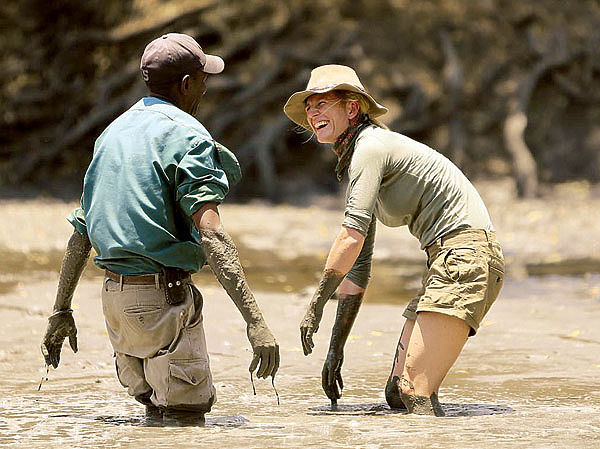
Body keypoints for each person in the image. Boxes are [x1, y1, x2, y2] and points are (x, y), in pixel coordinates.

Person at [41, 33, 280, 425]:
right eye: (204, 78)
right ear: (187, 84)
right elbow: (213, 234)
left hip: (114, 306)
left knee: (155, 423)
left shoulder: (111, 135)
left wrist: (60, 310)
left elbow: (80, 234)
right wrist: (255, 322)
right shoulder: (188, 136)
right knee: (186, 421)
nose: (206, 87)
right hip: (160, 303)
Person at [283, 65, 504, 416]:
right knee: (396, 394)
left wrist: (315, 305)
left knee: (414, 392)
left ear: (352, 108)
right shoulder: (362, 155)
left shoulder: (370, 147)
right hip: (447, 260)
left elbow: (350, 236)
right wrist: (335, 350)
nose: (312, 113)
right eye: (309, 107)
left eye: (323, 103)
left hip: (465, 258)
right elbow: (359, 267)